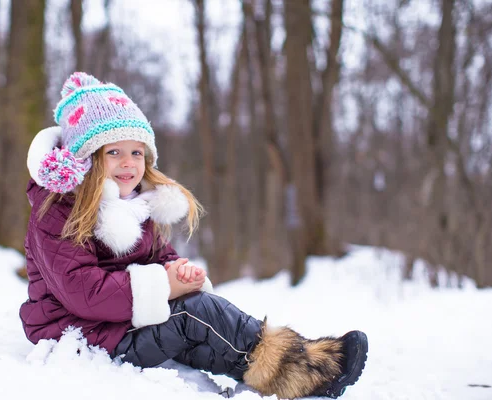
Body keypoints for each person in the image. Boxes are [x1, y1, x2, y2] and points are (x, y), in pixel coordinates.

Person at [20, 72, 368, 399]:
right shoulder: (58, 211)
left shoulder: (136, 204)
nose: (129, 163)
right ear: (85, 159)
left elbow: (160, 257)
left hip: (117, 324)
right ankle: (301, 370)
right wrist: (164, 286)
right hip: (76, 335)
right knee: (192, 315)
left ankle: (277, 375)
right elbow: (83, 292)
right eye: (114, 152)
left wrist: (179, 272)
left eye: (137, 152)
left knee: (203, 329)